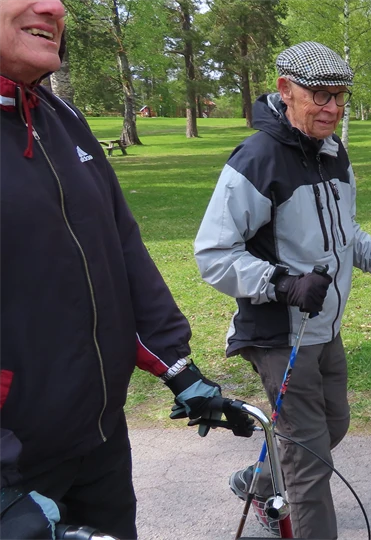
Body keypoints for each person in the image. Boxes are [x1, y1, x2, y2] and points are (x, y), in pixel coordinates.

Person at [0, 1, 225, 539]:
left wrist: (177, 366)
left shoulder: (62, 117)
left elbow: (120, 250)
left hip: (97, 440)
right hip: (14, 472)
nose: (55, 8)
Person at [194, 41, 371, 540]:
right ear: (286, 89)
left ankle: (258, 482)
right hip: (279, 333)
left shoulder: (332, 152)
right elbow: (213, 254)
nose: (333, 108)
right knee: (311, 461)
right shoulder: (257, 159)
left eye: (339, 96)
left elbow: (344, 231)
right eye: (320, 96)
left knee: (333, 425)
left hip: (323, 326)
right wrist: (282, 283)